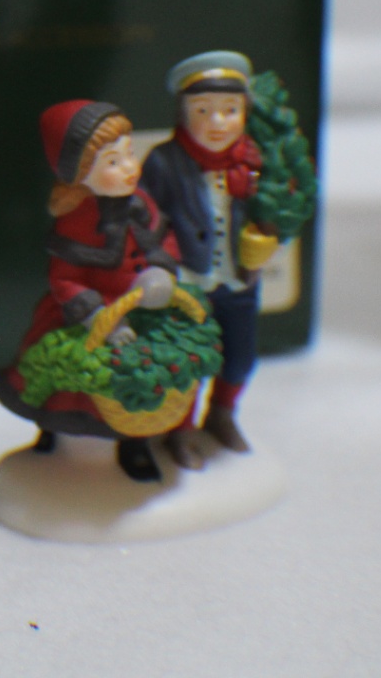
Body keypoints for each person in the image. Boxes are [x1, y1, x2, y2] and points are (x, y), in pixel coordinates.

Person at [0, 100, 184, 482]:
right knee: (69, 385)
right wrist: (99, 317)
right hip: (90, 316)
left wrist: (162, 270)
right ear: (80, 174)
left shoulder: (141, 202)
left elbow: (165, 239)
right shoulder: (75, 221)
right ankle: (54, 432)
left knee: (143, 377)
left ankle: (135, 442)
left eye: (129, 154)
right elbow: (65, 279)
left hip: (141, 306)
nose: (129, 167)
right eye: (113, 162)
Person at [138, 51, 276, 467]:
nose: (218, 122)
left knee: (240, 358)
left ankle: (222, 415)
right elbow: (145, 221)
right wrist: (162, 262)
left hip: (237, 280)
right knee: (190, 362)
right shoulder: (164, 162)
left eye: (230, 110)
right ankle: (180, 430)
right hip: (188, 285)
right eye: (203, 110)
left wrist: (267, 233)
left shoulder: (251, 161)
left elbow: (269, 210)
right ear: (183, 114)